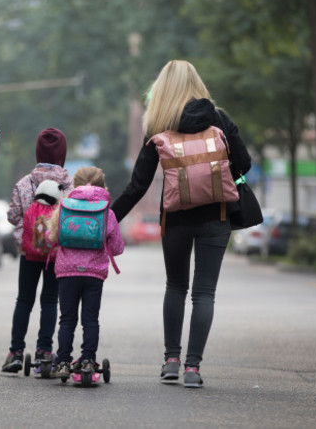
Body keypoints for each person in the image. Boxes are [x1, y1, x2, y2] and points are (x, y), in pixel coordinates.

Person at [111, 60, 251, 388]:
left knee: (176, 286)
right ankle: (193, 368)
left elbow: (138, 185)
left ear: (162, 88)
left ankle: (171, 361)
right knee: (204, 293)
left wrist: (108, 219)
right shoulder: (219, 118)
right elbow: (244, 163)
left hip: (174, 219)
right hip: (216, 216)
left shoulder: (161, 124)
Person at [1, 128, 73, 372]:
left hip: (28, 252)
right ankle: (44, 351)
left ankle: (15, 353)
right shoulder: (69, 184)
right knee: (50, 300)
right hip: (55, 253)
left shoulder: (24, 183)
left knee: (24, 299)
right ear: (62, 153)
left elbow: (12, 216)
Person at [48, 166, 124, 379]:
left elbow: (50, 237)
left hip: (67, 273)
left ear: (75, 184)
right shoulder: (107, 212)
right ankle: (88, 360)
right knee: (90, 319)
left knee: (67, 319)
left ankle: (63, 361)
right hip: (93, 274)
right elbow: (117, 247)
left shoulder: (64, 207)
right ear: (102, 185)